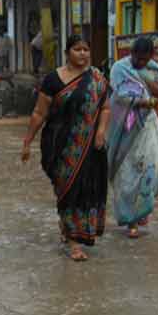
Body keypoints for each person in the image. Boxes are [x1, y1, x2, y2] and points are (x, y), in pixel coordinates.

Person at [21, 35, 111, 262]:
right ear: (68, 52)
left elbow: (106, 107)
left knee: (85, 190)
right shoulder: (53, 80)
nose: (82, 54)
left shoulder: (98, 78)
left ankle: (74, 241)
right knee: (66, 189)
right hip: (59, 146)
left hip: (91, 145)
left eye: (86, 49)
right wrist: (27, 142)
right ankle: (71, 234)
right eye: (77, 49)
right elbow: (39, 113)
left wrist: (101, 131)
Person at [107, 37, 158, 239]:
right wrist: (144, 101)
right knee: (127, 173)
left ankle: (143, 210)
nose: (139, 62)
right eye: (136, 58)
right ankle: (130, 221)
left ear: (150, 56)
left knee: (152, 169)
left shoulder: (154, 70)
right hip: (125, 128)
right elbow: (121, 95)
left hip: (147, 128)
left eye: (144, 59)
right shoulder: (119, 68)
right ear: (131, 53)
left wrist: (145, 79)